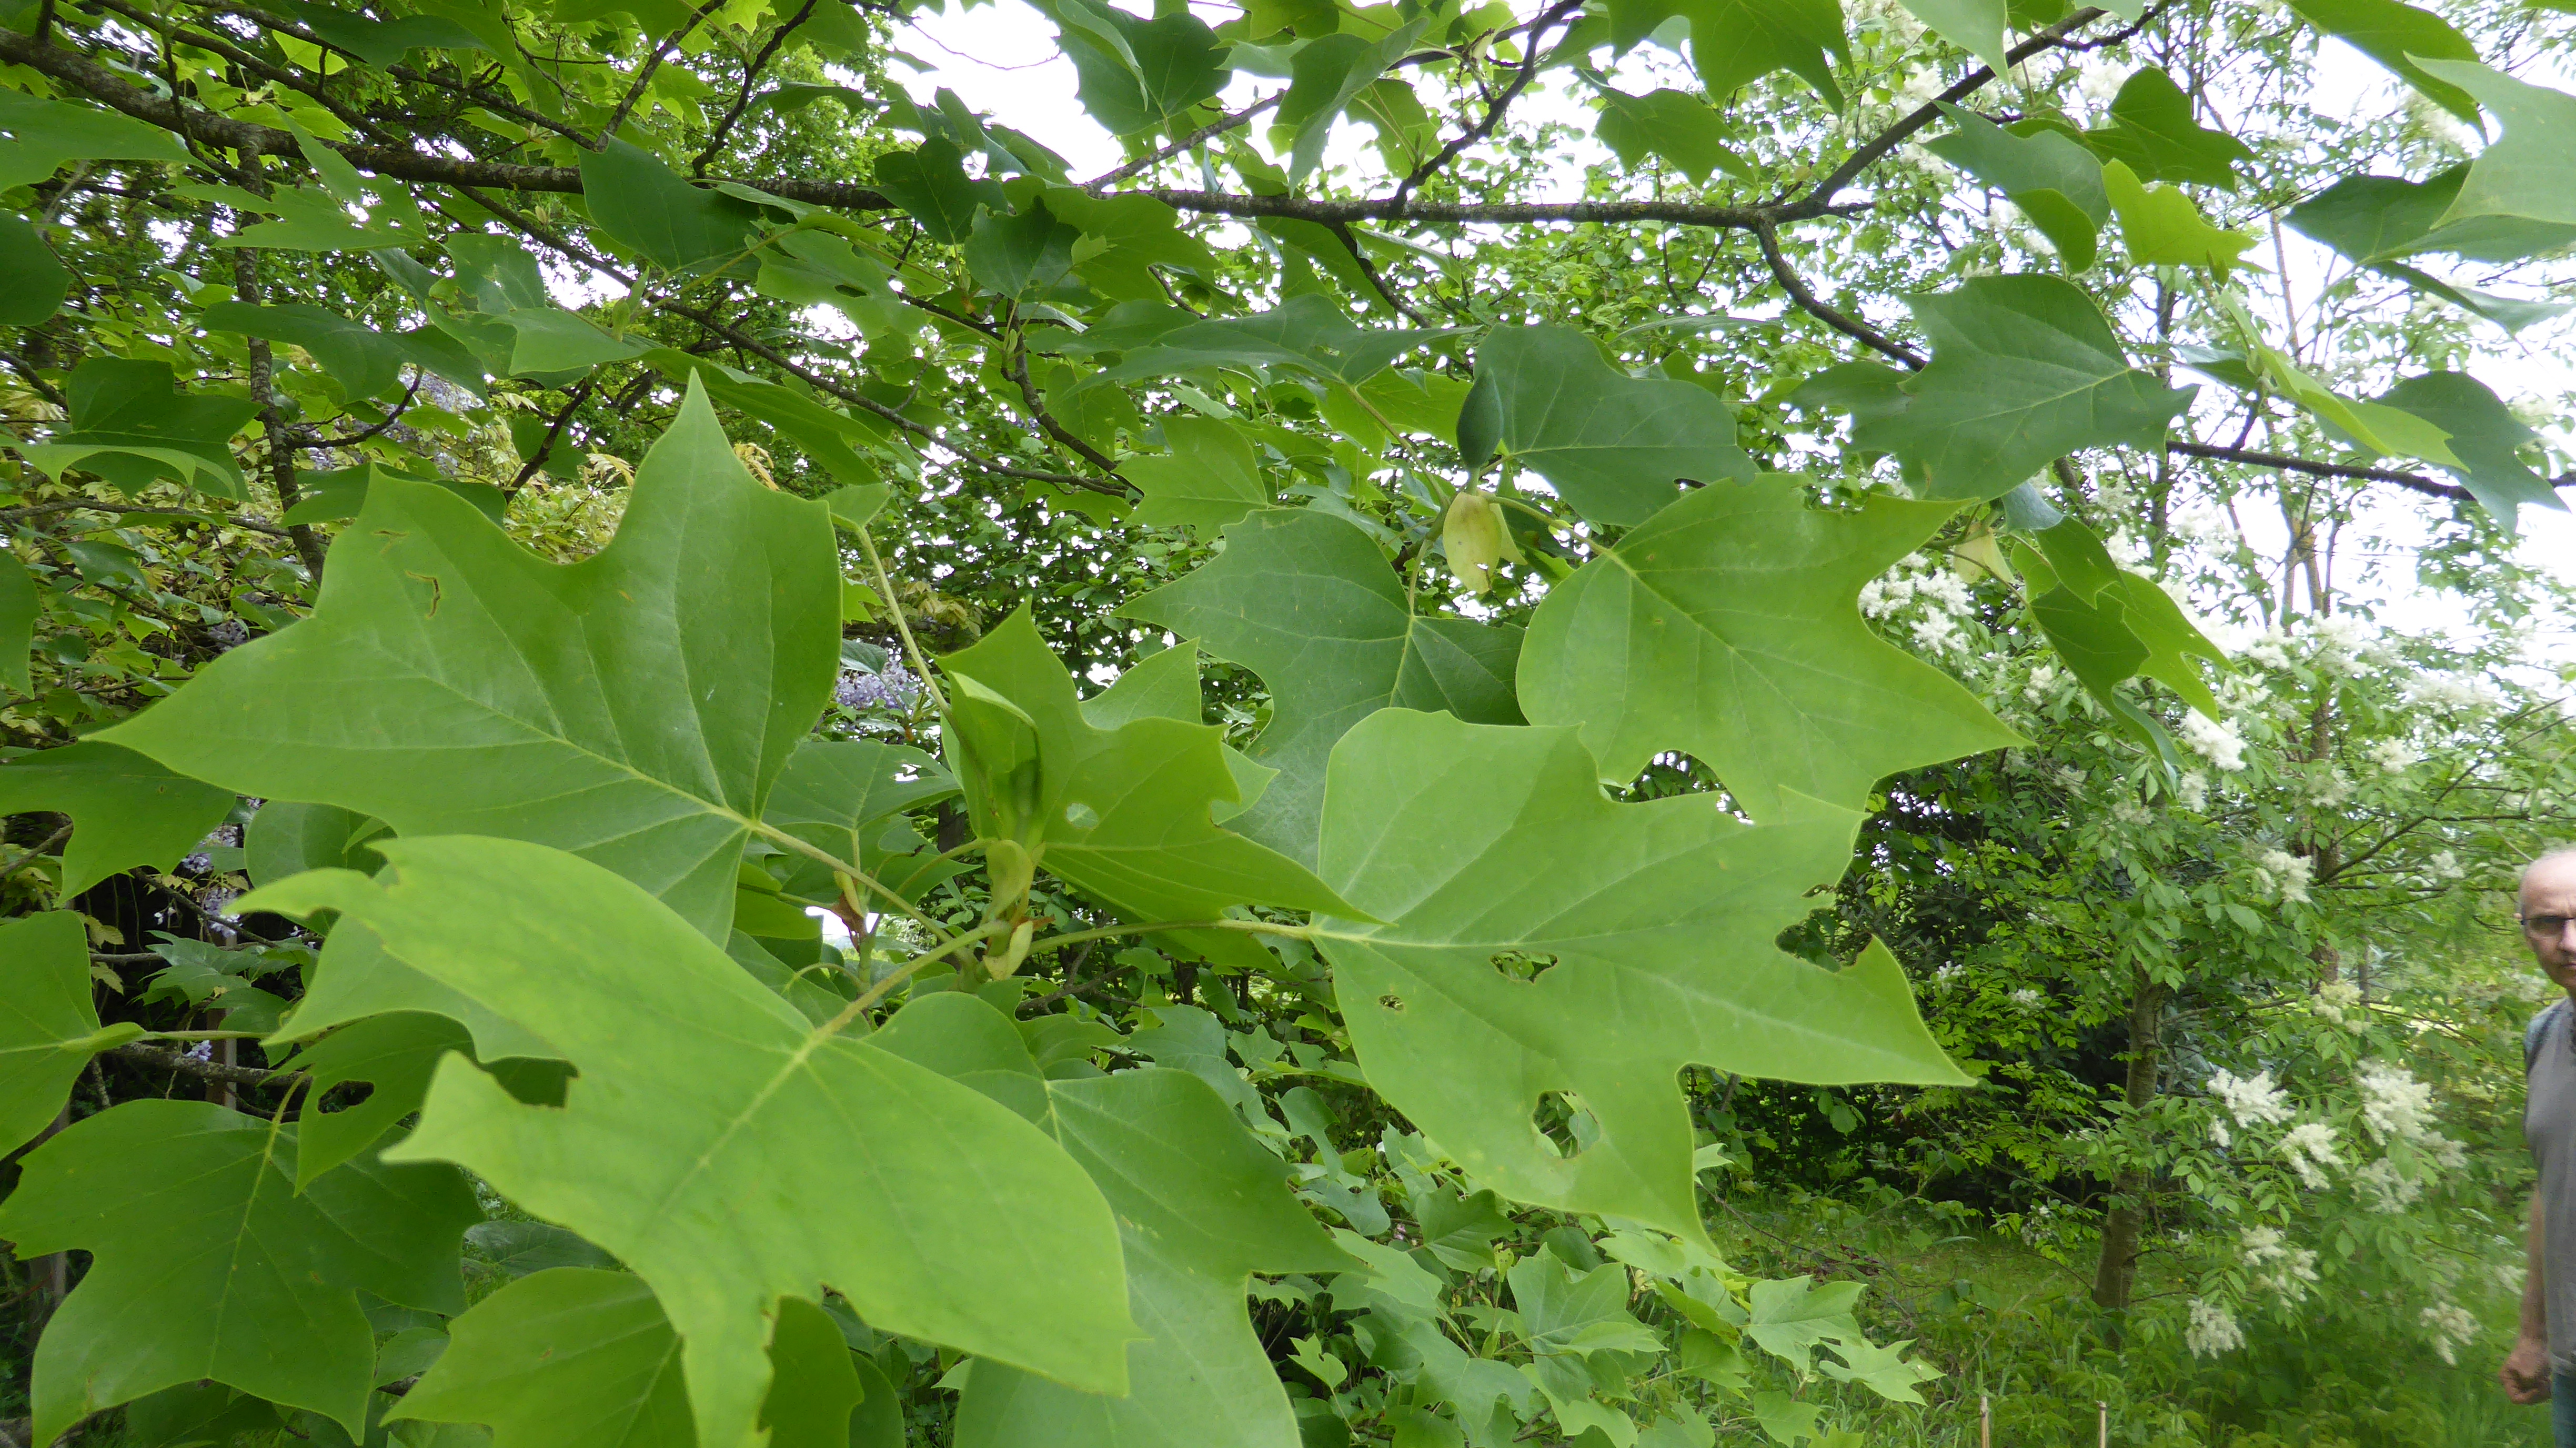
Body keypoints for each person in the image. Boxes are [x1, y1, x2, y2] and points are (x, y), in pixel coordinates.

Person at [2503, 848, 2576, 1439]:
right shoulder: (2544, 1034)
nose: (2570, 942)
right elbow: (2552, 1189)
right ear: (2527, 932)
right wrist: (2534, 1334)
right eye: (2550, 922)